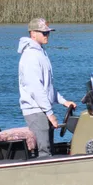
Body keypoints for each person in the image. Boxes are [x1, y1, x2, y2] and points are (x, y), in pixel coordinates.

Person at [18, 18, 76, 158]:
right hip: (35, 111)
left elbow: (47, 86)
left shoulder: (41, 53)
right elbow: (36, 89)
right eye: (43, 32)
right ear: (33, 34)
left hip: (42, 109)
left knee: (50, 149)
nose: (47, 35)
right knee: (45, 152)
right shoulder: (31, 56)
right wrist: (50, 114)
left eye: (48, 33)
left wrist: (63, 101)